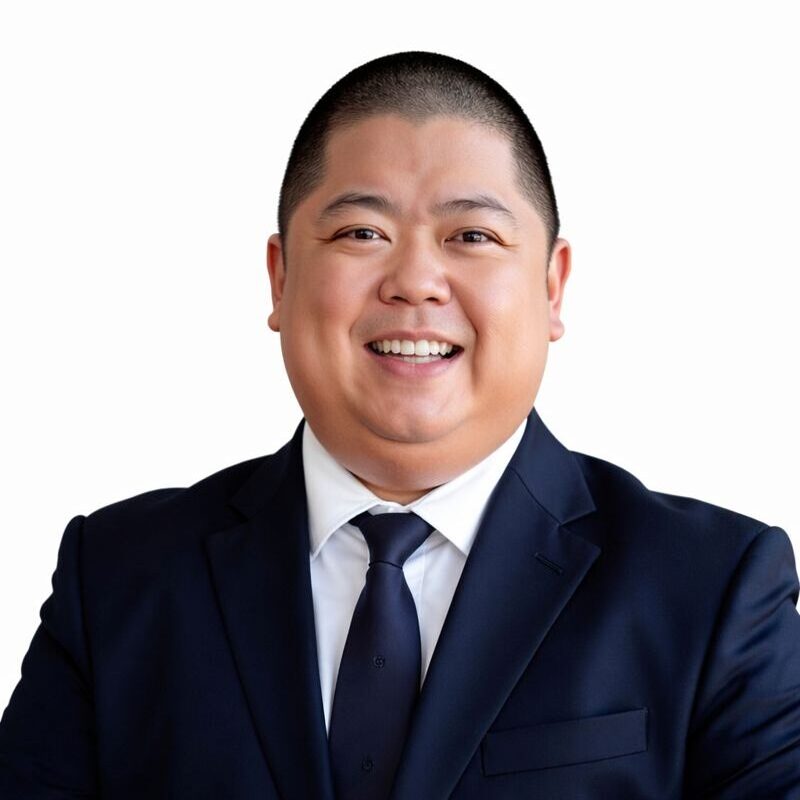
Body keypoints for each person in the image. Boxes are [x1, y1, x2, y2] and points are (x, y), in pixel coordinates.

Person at [1, 49, 798, 800]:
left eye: (473, 236)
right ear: (280, 278)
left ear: (552, 287)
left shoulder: (714, 590)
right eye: (362, 233)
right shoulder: (117, 580)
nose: (416, 280)